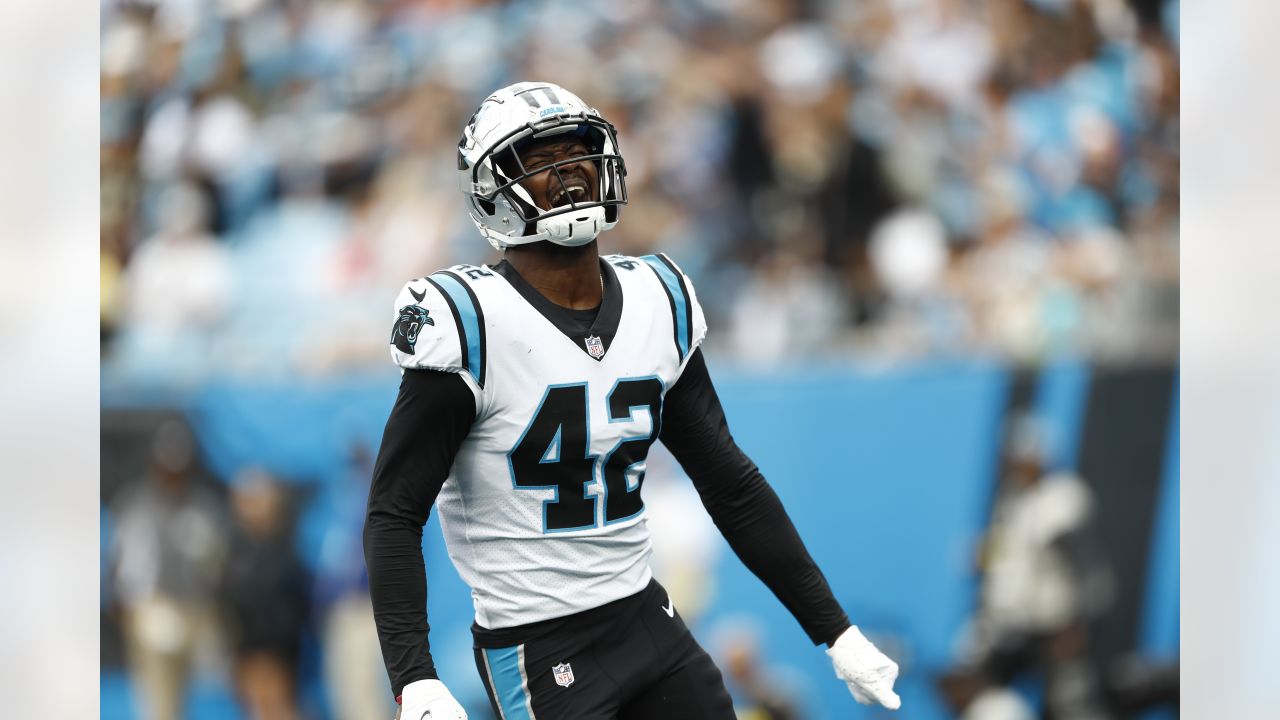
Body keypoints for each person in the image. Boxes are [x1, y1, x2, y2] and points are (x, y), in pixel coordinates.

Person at [364, 81, 902, 720]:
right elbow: (394, 512)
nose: (568, 174)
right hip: (537, 644)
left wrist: (833, 630)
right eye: (540, 162)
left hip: (647, 615)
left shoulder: (657, 297)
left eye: (578, 153)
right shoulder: (469, 322)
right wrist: (414, 677)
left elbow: (729, 481)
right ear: (494, 191)